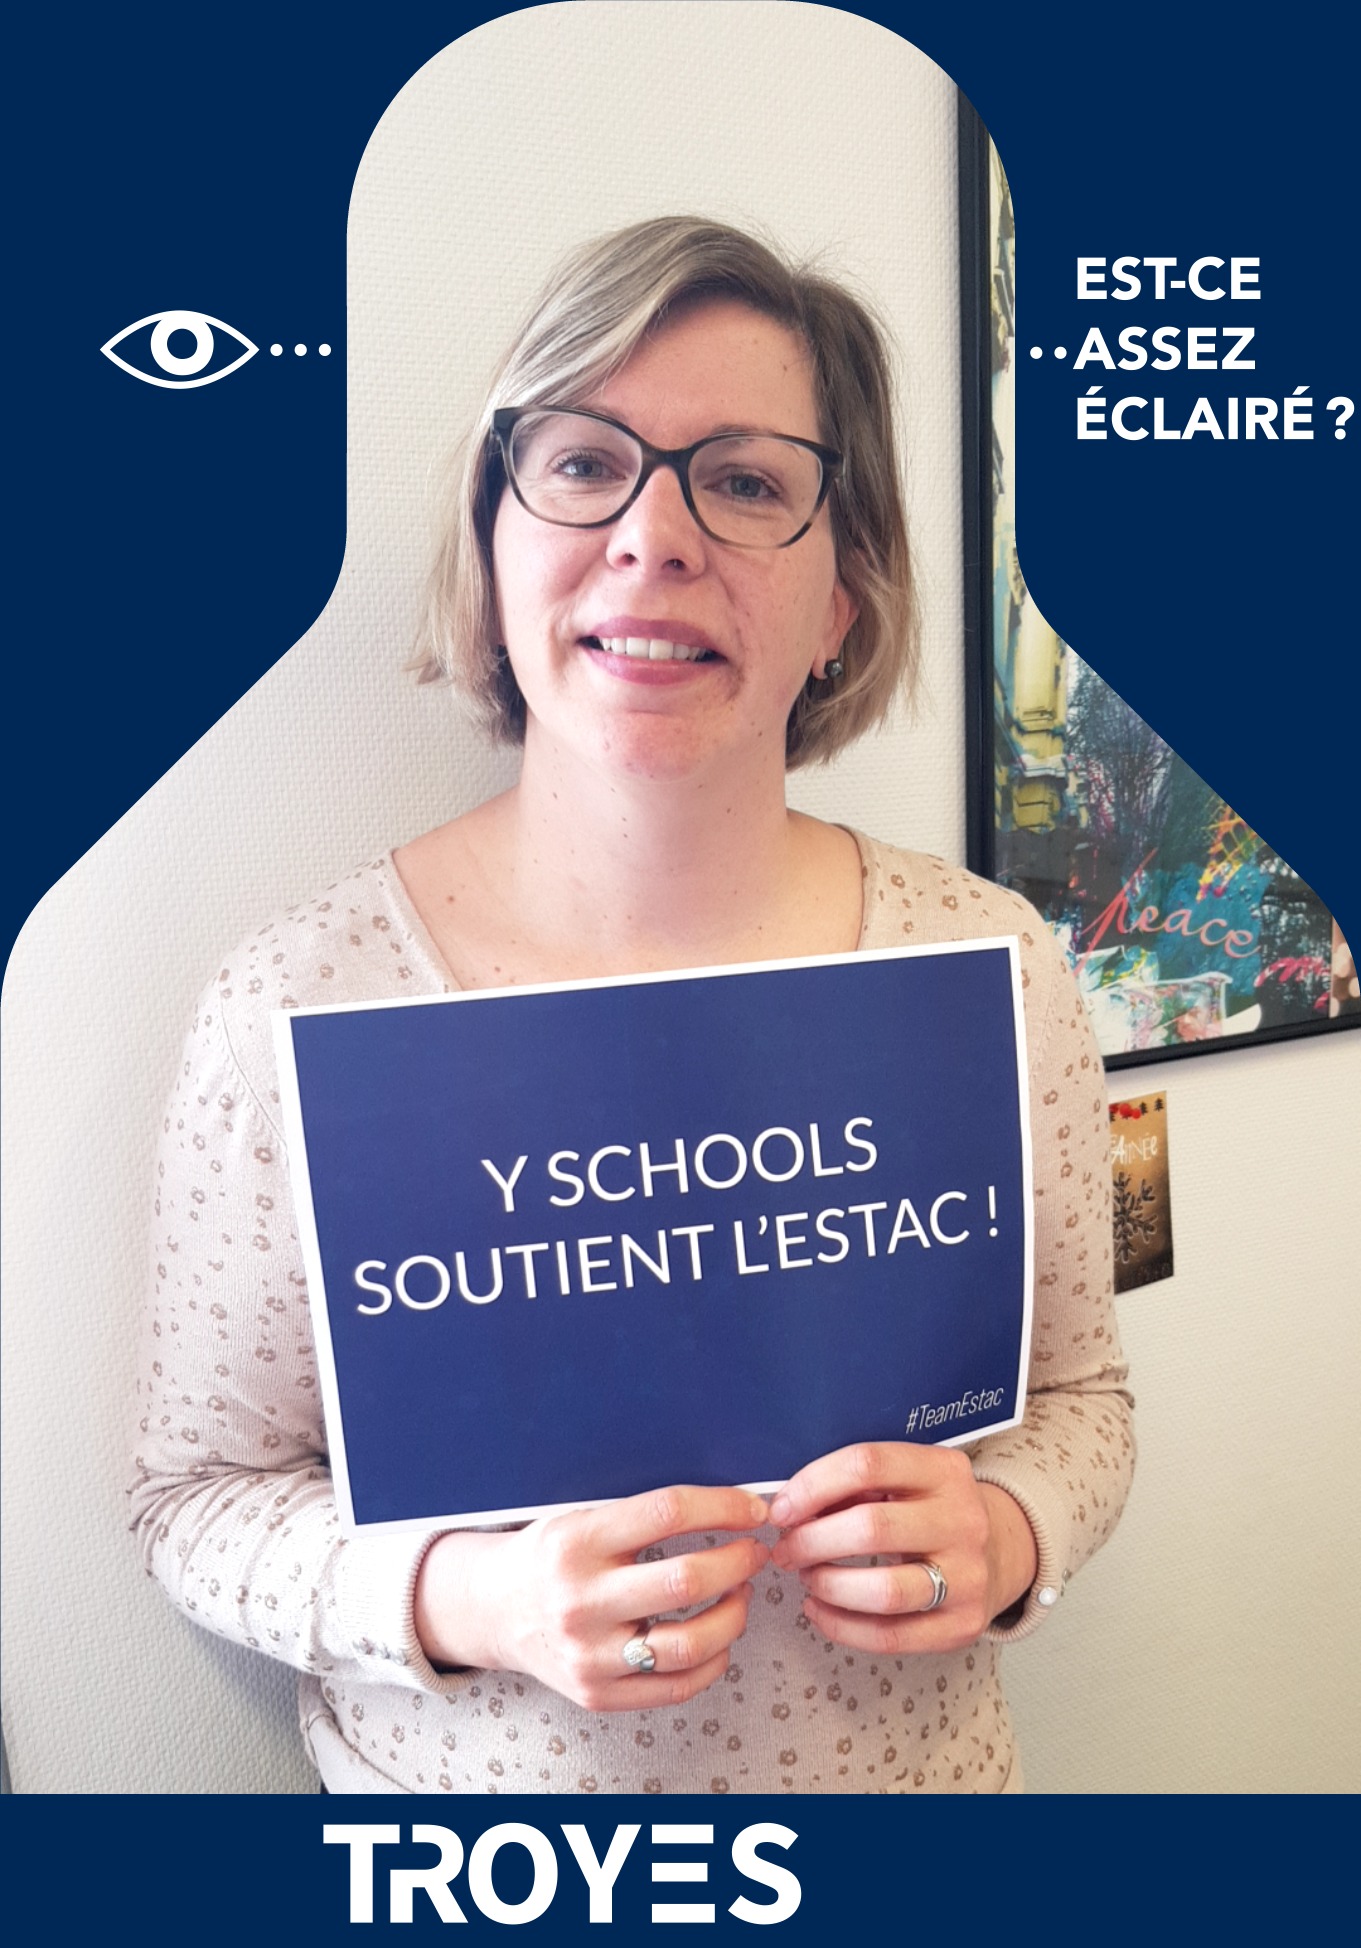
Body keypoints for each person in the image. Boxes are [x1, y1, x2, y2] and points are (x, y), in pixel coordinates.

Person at [129, 217, 1134, 1794]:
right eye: (586, 464)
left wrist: (1012, 1529)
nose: (654, 537)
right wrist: (473, 1600)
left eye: (744, 482)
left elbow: (1079, 1398)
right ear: (494, 549)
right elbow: (193, 1498)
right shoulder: (296, 1000)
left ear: (843, 597)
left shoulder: (988, 962)